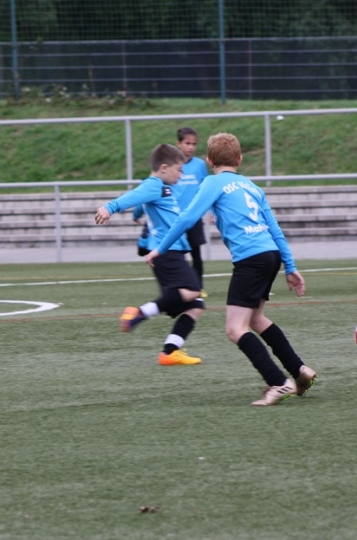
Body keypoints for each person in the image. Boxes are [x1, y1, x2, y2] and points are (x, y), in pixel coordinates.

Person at [146, 133, 316, 406]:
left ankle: (278, 382)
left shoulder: (212, 182)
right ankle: (298, 369)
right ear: (239, 159)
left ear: (209, 160)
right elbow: (275, 229)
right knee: (257, 319)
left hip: (250, 259)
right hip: (270, 254)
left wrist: (160, 248)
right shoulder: (251, 186)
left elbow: (187, 218)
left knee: (235, 328)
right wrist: (290, 266)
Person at [95, 144, 205, 366]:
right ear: (164, 168)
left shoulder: (160, 187)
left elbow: (141, 202)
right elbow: (135, 195)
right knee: (194, 291)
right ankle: (139, 313)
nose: (181, 175)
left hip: (171, 251)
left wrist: (137, 213)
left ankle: (170, 352)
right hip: (167, 251)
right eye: (179, 170)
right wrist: (110, 207)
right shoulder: (154, 185)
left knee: (196, 305)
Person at [174, 127, 212, 294]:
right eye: (187, 143)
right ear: (179, 143)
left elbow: (207, 189)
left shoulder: (199, 165)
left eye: (194, 144)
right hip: (175, 218)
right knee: (178, 255)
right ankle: (181, 287)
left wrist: (211, 211)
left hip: (194, 217)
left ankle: (198, 287)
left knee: (196, 254)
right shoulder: (172, 164)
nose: (191, 147)